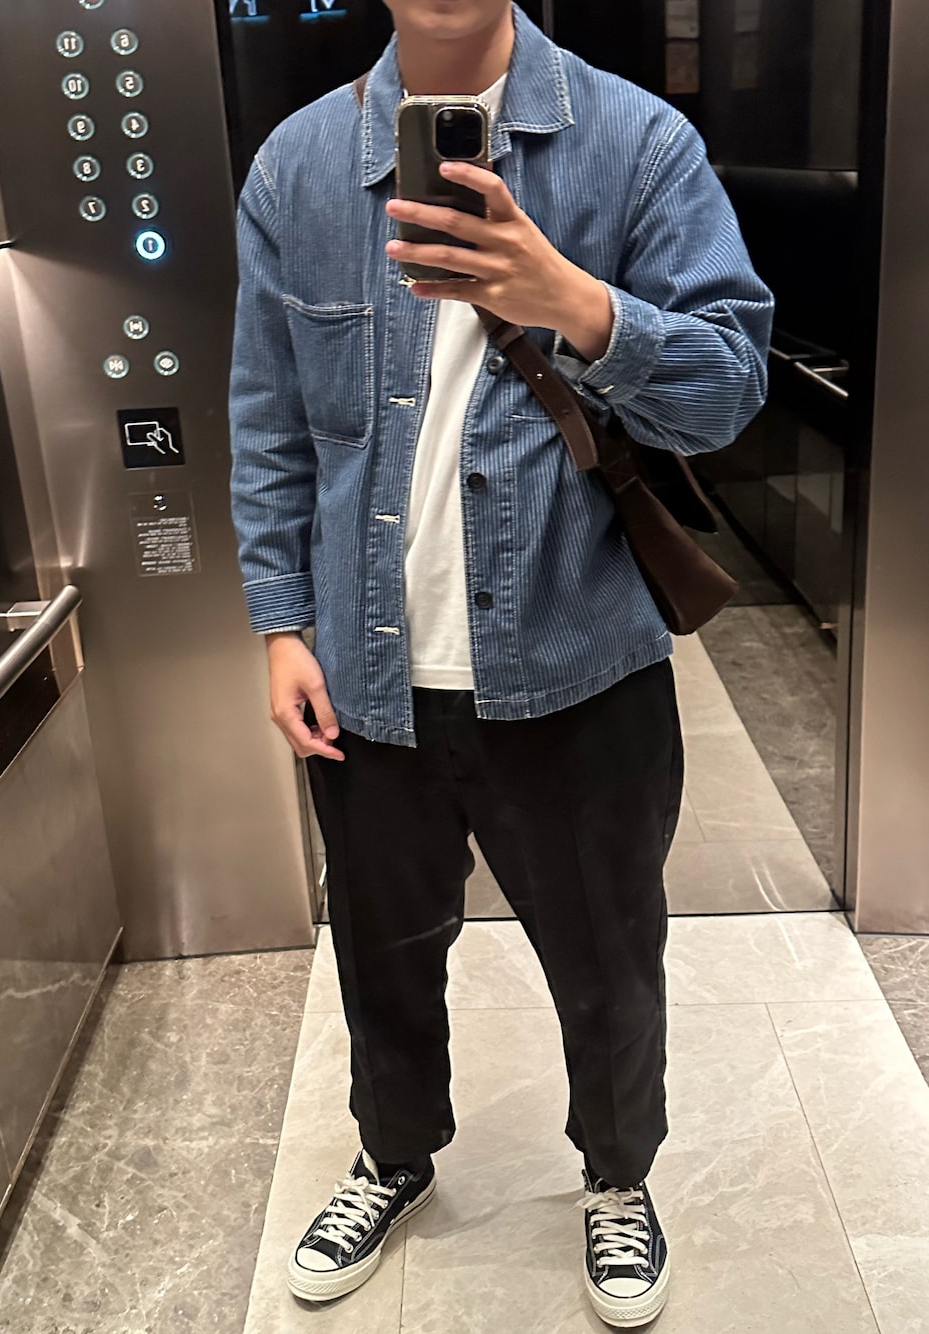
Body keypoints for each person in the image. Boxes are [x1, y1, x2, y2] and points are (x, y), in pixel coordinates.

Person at [229, 1, 773, 1325]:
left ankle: (618, 1175)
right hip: (367, 673)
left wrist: (574, 304)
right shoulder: (299, 167)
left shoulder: (638, 147)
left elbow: (729, 386)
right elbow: (270, 416)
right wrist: (281, 622)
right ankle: (392, 1154)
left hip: (580, 664)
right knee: (382, 957)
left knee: (609, 959)